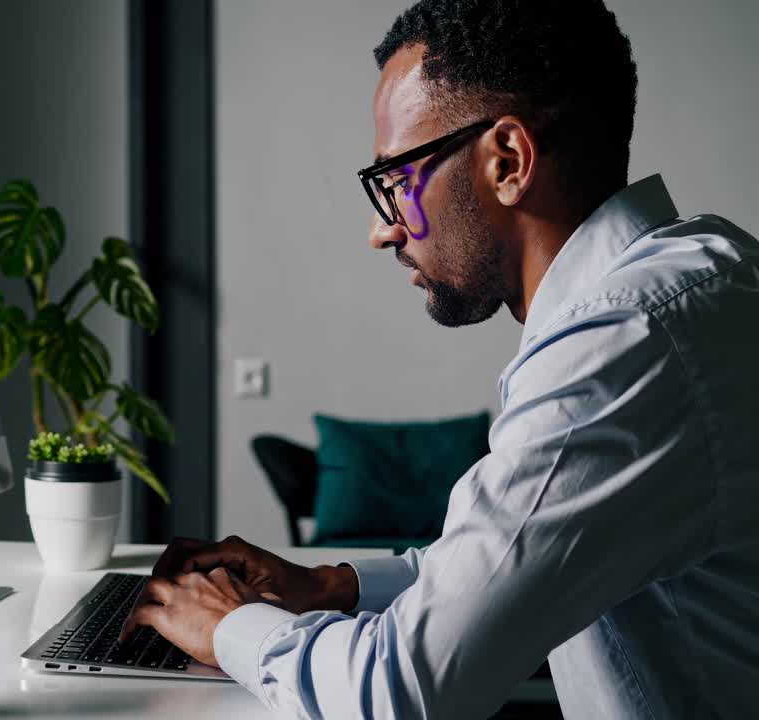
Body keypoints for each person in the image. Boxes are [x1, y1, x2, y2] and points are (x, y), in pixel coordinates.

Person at [124, 1, 759, 717]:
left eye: (395, 180)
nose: (380, 231)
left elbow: (402, 689)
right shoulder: (701, 281)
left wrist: (226, 626)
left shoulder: (624, 342)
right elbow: (516, 559)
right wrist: (332, 586)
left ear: (508, 161)